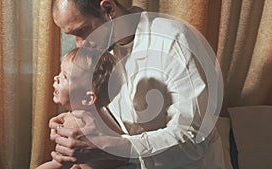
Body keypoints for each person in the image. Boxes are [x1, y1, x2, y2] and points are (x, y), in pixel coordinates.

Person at [49, 0, 225, 168]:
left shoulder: (174, 41)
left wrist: (112, 149)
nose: (80, 44)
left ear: (109, 9)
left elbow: (194, 138)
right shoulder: (100, 51)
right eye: (72, 35)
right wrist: (72, 127)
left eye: (82, 31)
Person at [37, 48, 130, 169]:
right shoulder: (102, 113)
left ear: (87, 99)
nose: (56, 78)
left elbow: (58, 163)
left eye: (65, 76)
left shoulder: (77, 123)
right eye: (61, 72)